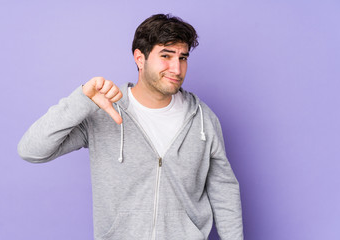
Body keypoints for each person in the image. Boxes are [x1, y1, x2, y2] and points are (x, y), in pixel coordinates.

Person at [18, 13, 243, 240]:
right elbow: (31, 151)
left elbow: (223, 190)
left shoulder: (203, 119)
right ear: (139, 58)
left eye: (183, 58)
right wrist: (81, 99)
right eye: (166, 55)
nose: (177, 69)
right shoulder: (104, 112)